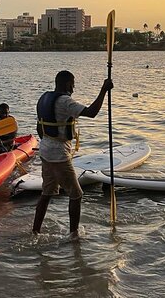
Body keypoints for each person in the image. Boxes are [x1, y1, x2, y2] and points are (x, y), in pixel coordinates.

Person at [32, 70, 113, 239]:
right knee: (76, 195)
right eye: (73, 85)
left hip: (45, 150)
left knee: (46, 193)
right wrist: (103, 90)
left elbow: (40, 128)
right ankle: (74, 235)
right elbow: (92, 112)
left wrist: (50, 143)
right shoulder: (65, 101)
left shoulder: (44, 98)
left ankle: (35, 231)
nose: (74, 89)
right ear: (68, 84)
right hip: (58, 154)